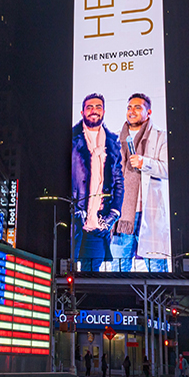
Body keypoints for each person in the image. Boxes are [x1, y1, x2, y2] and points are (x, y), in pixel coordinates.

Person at [110, 93, 171, 272]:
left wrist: (145, 163)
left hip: (148, 213)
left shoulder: (160, 136)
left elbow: (169, 169)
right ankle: (121, 300)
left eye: (137, 107)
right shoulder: (114, 138)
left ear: (148, 112)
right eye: (129, 107)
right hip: (122, 216)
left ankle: (161, 301)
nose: (132, 111)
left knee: (156, 269)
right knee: (118, 269)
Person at [71, 93, 124, 272]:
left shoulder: (113, 142)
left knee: (90, 277)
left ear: (104, 111)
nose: (94, 111)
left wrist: (114, 213)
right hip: (74, 221)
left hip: (98, 225)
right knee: (67, 275)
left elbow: (118, 181)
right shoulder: (70, 139)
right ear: (82, 112)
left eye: (98, 107)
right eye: (90, 107)